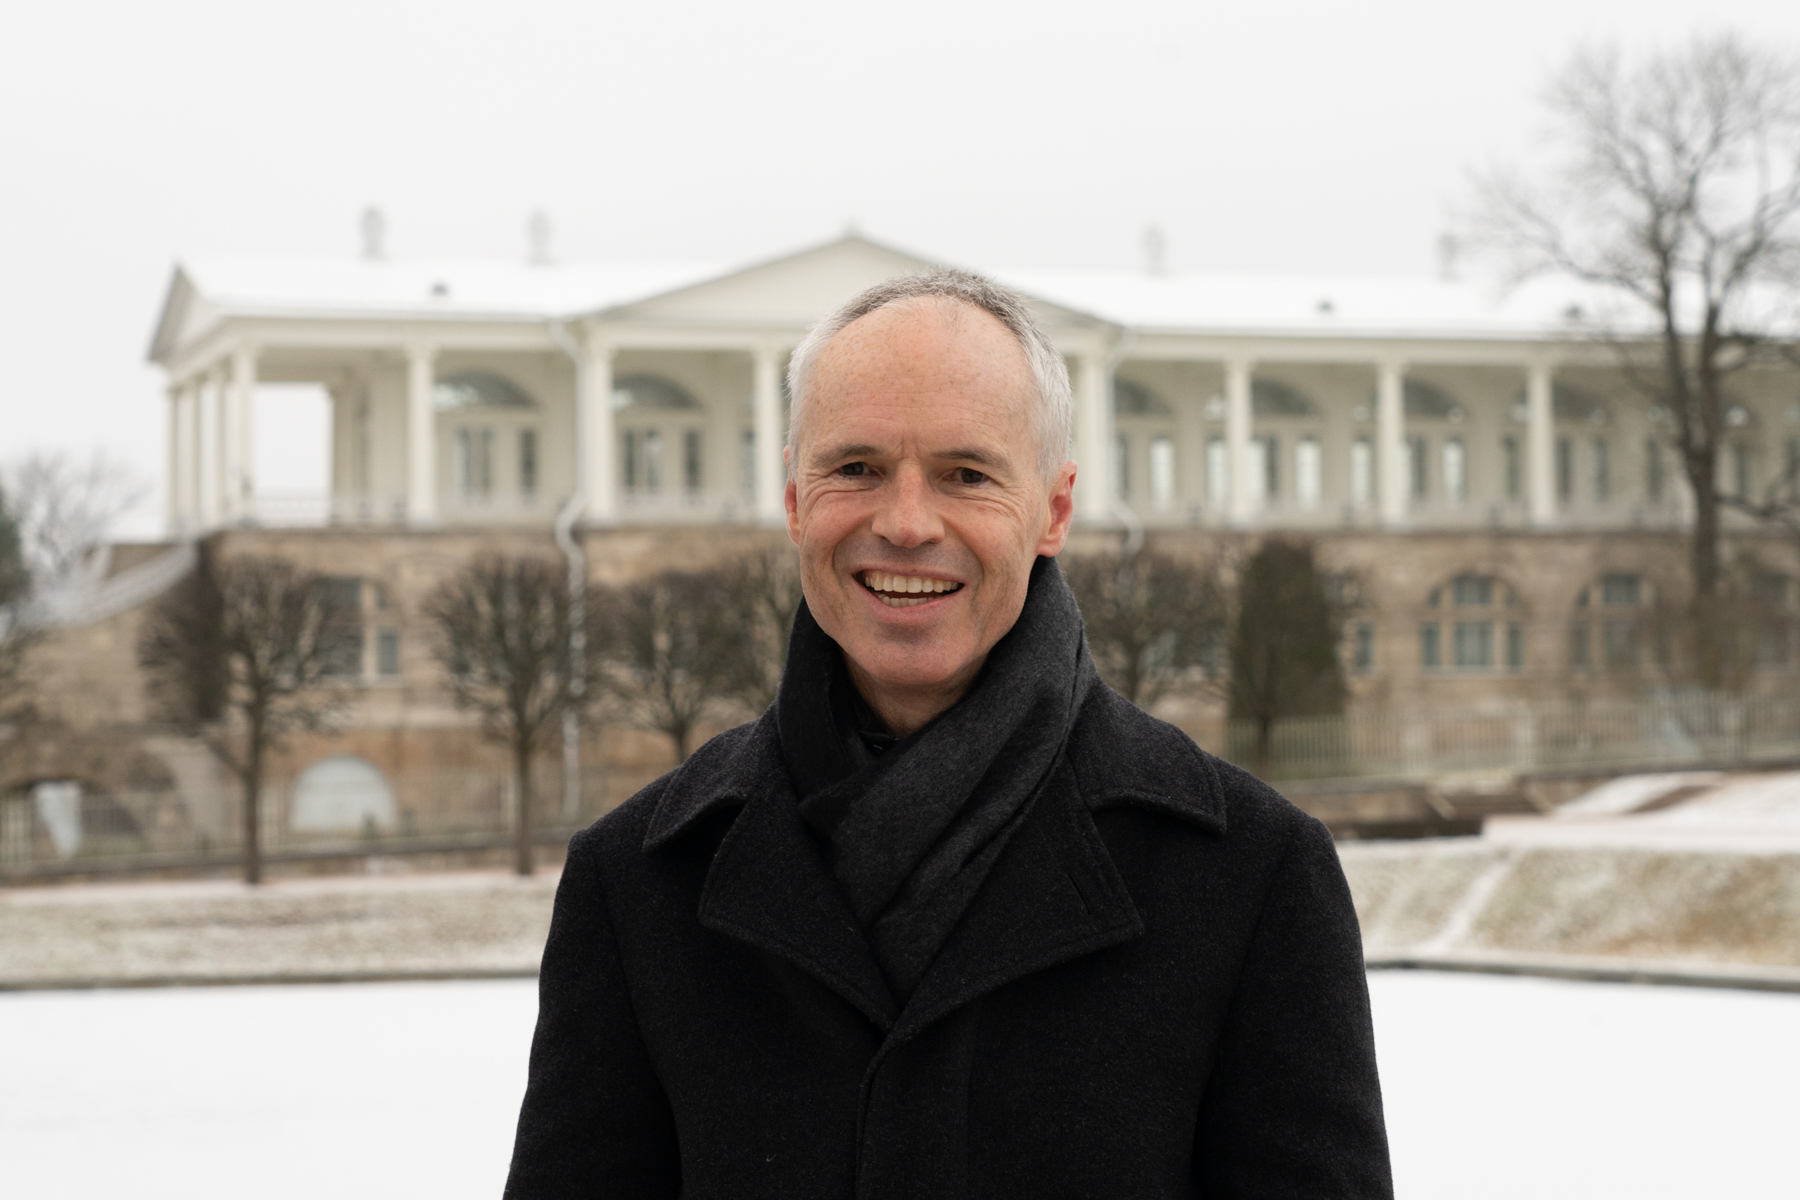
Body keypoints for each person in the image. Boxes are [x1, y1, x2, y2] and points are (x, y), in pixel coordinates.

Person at [504, 271, 1392, 1199]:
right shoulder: (635, 882)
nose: (906, 523)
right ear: (796, 499)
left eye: (967, 475)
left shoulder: (1251, 875)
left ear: (1054, 510)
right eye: (856, 469)